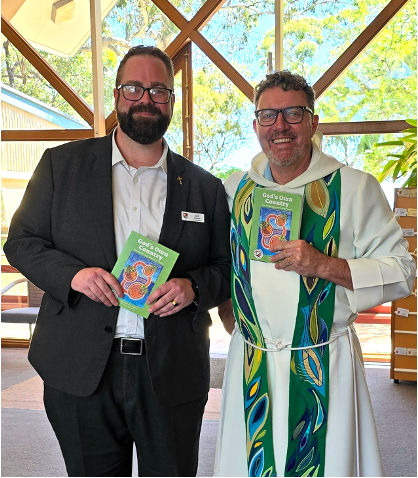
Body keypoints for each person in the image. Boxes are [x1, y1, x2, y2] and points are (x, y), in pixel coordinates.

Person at [4, 45, 231, 477]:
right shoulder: (60, 166)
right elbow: (22, 241)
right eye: (134, 88)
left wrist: (194, 287)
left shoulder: (205, 187)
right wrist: (74, 276)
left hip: (171, 370)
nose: (146, 98)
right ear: (117, 95)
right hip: (81, 368)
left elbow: (225, 268)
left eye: (158, 90)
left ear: (171, 101)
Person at [215, 71, 415, 477]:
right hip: (251, 361)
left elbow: (402, 273)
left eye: (293, 113)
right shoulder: (236, 188)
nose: (280, 126)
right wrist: (228, 307)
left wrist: (322, 265)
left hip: (320, 359)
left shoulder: (354, 187)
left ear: (313, 122)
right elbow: (223, 260)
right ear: (256, 125)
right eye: (268, 116)